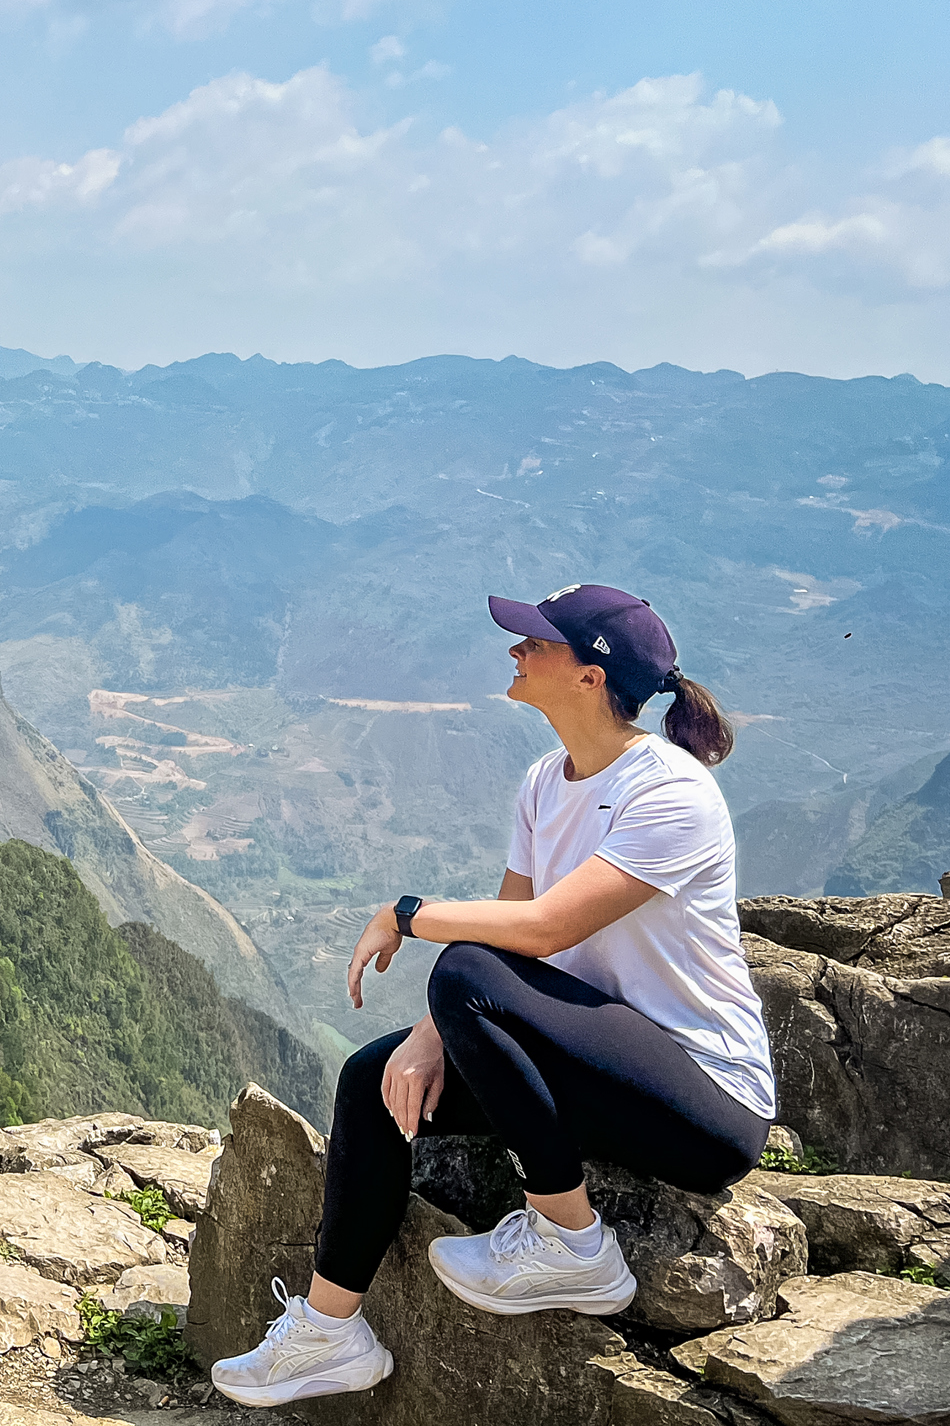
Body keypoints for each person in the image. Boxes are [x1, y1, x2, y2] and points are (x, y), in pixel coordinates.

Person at [210, 584, 775, 1407]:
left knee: (460, 972)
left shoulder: (671, 792)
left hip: (703, 1099)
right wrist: (433, 1035)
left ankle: (570, 1240)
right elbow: (509, 931)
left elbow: (540, 931)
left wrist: (407, 914)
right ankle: (330, 1333)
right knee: (374, 1081)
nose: (516, 652)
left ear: (591, 676)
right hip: (595, 1066)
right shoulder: (547, 782)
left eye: (537, 643)